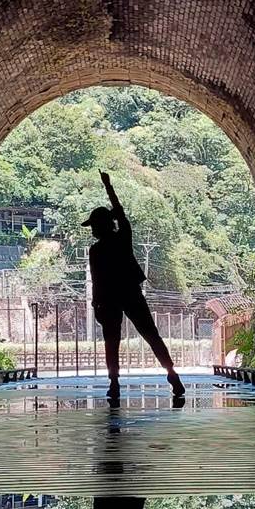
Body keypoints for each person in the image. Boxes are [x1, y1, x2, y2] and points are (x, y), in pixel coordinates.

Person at [82, 170, 185, 399]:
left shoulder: (97, 249)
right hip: (130, 293)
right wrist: (108, 187)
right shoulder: (123, 237)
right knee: (151, 335)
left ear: (103, 224)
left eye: (94, 225)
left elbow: (97, 280)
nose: (92, 229)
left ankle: (114, 383)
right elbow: (120, 213)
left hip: (109, 299)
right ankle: (172, 375)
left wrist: (96, 304)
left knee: (112, 342)